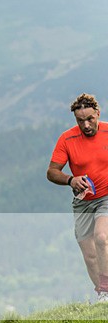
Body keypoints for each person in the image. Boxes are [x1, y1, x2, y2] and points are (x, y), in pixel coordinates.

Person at [47, 93, 108, 303]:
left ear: (98, 113)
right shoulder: (67, 139)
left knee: (102, 238)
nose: (86, 125)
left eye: (90, 119)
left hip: (106, 197)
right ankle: (102, 295)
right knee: (90, 255)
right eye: (80, 121)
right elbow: (52, 172)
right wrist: (71, 180)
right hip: (83, 202)